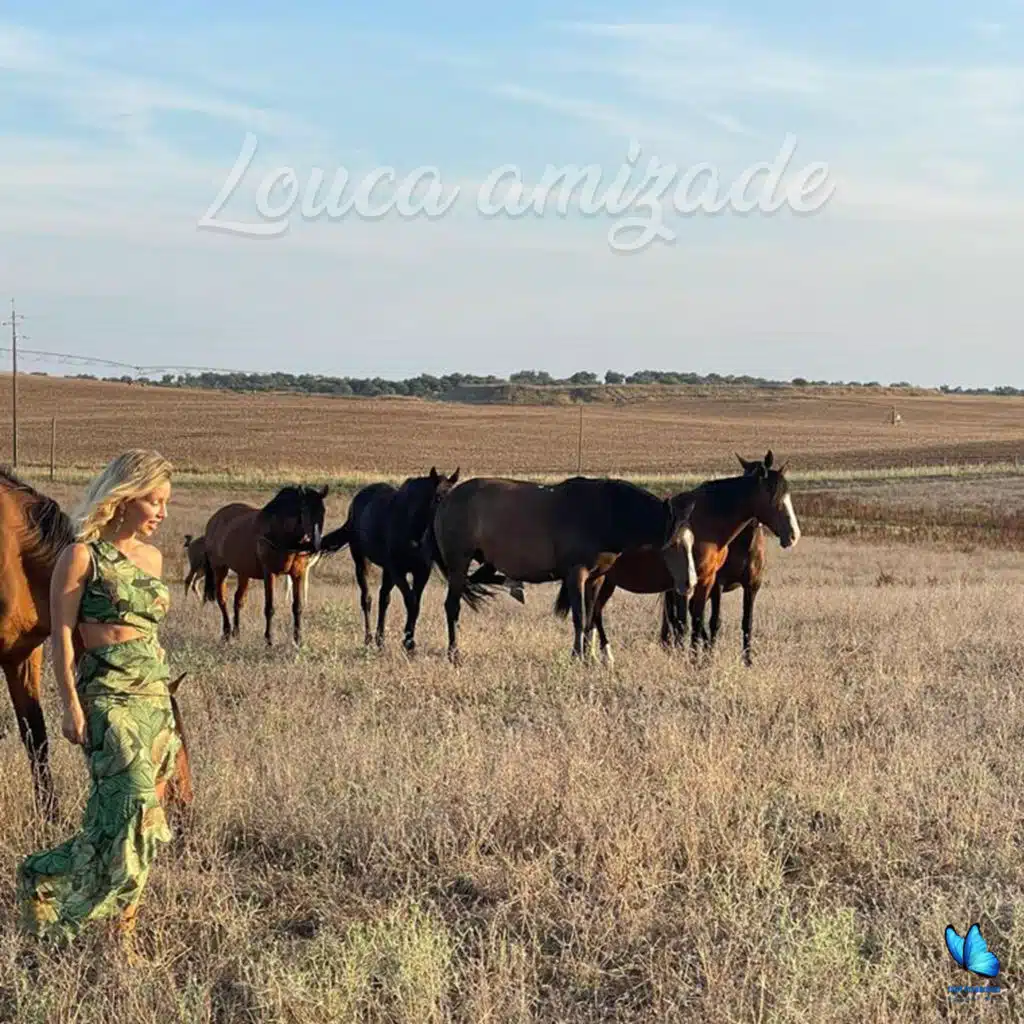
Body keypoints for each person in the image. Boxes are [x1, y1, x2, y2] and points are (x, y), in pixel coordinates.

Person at [16, 449, 186, 946]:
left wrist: (166, 704)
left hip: (152, 696)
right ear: (125, 496)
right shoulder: (81, 555)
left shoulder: (153, 559)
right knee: (131, 804)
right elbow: (62, 634)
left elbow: (149, 633)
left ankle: (122, 932)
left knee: (141, 824)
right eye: (153, 500)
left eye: (165, 502)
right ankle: (41, 878)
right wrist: (70, 704)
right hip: (106, 697)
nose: (161, 512)